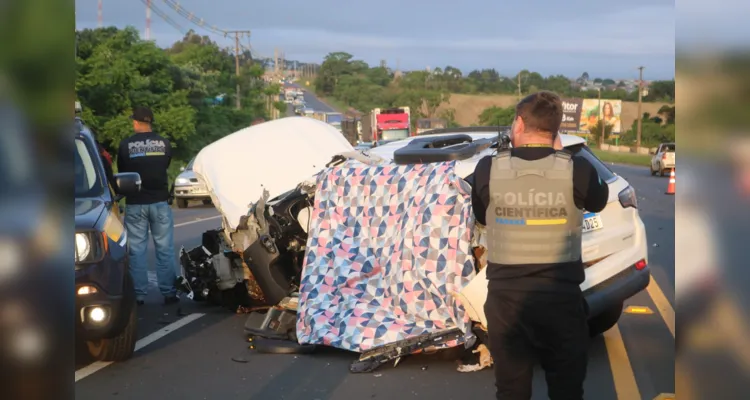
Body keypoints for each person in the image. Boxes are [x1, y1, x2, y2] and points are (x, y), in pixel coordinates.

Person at [471, 91, 609, 399]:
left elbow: (482, 215)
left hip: (507, 302)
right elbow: (599, 201)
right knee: (566, 390)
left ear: (519, 124)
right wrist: (561, 155)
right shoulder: (579, 170)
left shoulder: (486, 170)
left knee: (511, 390)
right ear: (556, 129)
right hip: (561, 300)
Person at [117, 106, 179, 306]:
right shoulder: (164, 143)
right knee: (165, 249)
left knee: (136, 250)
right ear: (150, 122)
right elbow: (165, 166)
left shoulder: (126, 145)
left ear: (135, 122)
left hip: (135, 203)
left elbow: (123, 172)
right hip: (160, 202)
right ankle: (169, 293)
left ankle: (139, 295)